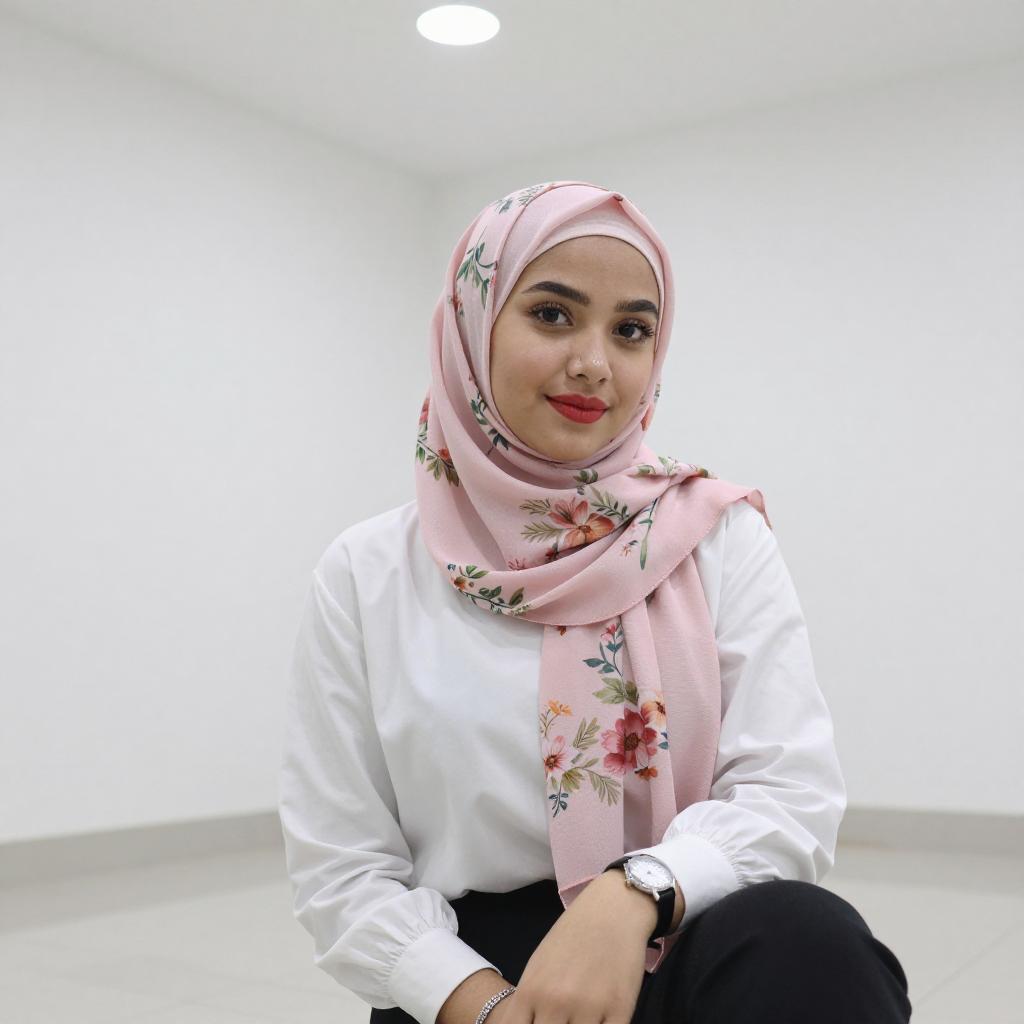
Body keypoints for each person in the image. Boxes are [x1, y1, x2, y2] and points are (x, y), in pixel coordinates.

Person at [278, 180, 913, 1024]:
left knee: (811, 941)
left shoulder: (716, 536)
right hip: (465, 974)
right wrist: (489, 1007)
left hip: (679, 927)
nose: (594, 363)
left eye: (631, 330)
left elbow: (789, 793)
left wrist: (634, 891)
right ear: (472, 325)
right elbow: (343, 869)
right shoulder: (368, 572)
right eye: (552, 314)